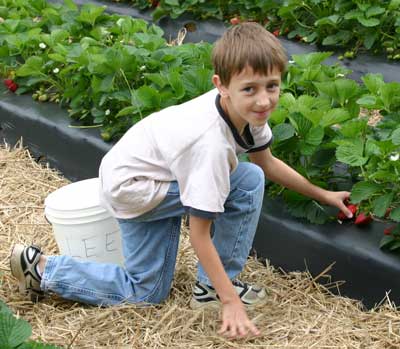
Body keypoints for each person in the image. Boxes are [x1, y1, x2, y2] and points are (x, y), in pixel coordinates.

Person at [10, 22, 352, 339]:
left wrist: (322, 194)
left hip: (157, 174)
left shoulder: (249, 110)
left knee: (249, 176)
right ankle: (44, 270)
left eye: (272, 86)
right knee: (145, 293)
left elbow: (267, 162)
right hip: (135, 188)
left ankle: (210, 288)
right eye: (250, 88)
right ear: (222, 86)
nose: (264, 99)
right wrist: (231, 300)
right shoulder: (211, 145)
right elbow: (199, 234)